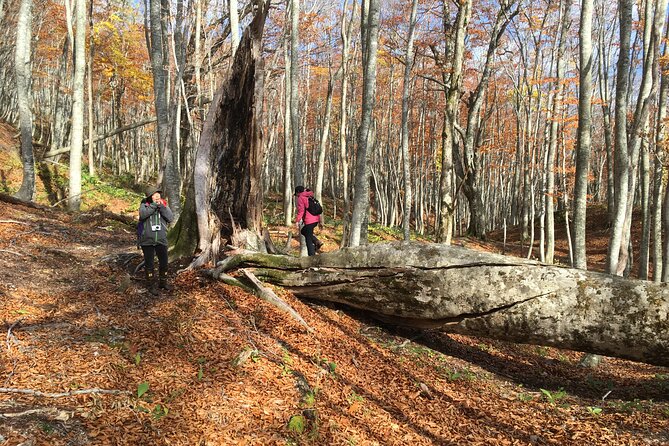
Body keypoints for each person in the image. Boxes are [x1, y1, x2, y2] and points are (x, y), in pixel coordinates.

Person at [138, 186, 174, 295]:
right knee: (149, 264)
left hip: (161, 240)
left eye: (158, 193)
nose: (157, 196)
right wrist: (154, 205)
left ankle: (163, 282)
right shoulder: (144, 205)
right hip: (147, 240)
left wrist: (162, 207)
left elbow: (170, 218)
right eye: (154, 194)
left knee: (164, 262)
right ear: (150, 197)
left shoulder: (163, 205)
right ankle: (151, 286)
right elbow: (143, 215)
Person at [294, 185, 323, 256]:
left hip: (309, 221)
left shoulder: (301, 197)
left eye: (296, 194)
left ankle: (311, 257)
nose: (297, 196)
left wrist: (297, 221)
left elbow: (301, 211)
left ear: (298, 192)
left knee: (308, 240)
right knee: (303, 231)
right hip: (315, 220)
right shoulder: (310, 196)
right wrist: (319, 221)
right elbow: (315, 209)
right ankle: (316, 241)